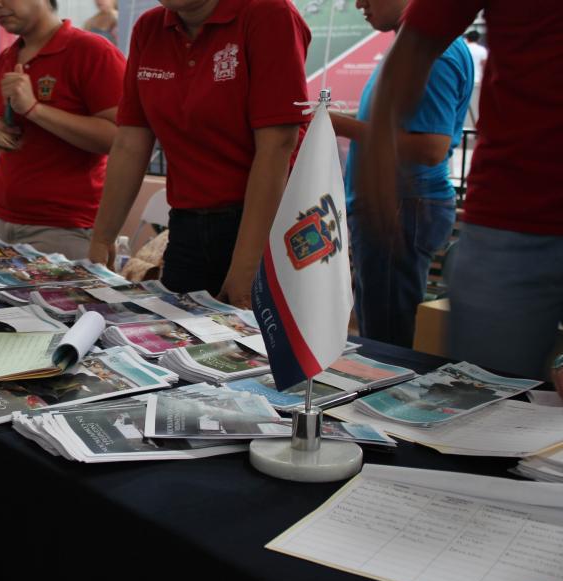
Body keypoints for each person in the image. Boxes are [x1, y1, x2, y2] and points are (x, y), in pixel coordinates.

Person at [359, 0, 563, 380]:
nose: (358, 4)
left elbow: (430, 143)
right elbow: (416, 45)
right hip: (513, 216)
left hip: (502, 224)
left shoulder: (446, 55)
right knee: (484, 395)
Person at [88, 0, 312, 303]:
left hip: (264, 225)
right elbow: (130, 142)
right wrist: (102, 238)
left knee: (257, 342)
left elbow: (276, 148)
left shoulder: (268, 13)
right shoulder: (149, 28)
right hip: (188, 223)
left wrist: (245, 270)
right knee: (176, 336)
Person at [330, 0, 472, 348]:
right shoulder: (415, 48)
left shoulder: (433, 51)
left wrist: (341, 125)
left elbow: (430, 148)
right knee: (377, 326)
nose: (359, 4)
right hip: (394, 206)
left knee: (386, 338)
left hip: (403, 206)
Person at [0, 0, 126, 259]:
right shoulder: (5, 58)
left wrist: (35, 109)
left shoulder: (92, 51)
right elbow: (9, 131)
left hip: (63, 227)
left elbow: (119, 139)